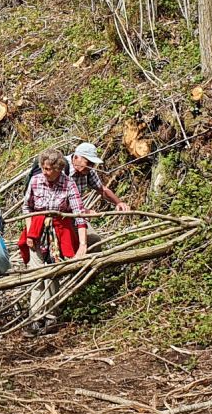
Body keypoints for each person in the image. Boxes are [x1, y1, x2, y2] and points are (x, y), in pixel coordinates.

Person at [20, 149, 89, 335]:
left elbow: (79, 215)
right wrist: (28, 232)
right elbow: (27, 207)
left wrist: (82, 244)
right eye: (43, 168)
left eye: (49, 169)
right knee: (37, 274)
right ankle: (34, 318)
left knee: (52, 273)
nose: (45, 172)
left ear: (58, 169)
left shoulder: (69, 184)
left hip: (58, 233)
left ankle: (51, 317)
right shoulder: (35, 181)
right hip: (36, 229)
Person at [69, 142, 130, 248]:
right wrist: (84, 211)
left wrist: (118, 202)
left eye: (92, 164)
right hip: (55, 214)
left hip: (75, 214)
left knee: (94, 241)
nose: (90, 167)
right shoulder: (60, 168)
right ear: (76, 157)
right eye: (88, 162)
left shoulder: (88, 171)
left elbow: (102, 189)